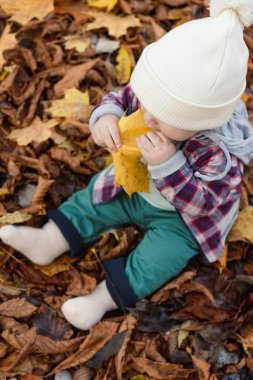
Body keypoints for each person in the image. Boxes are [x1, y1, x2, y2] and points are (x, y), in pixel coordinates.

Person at [1, 0, 253, 330]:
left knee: (160, 258)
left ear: (203, 119)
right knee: (94, 199)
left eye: (163, 117)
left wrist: (168, 164)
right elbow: (119, 98)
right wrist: (105, 117)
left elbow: (203, 203)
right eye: (148, 100)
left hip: (180, 218)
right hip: (132, 185)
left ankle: (101, 300)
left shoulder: (219, 150)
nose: (147, 114)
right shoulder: (152, 97)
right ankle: (49, 240)